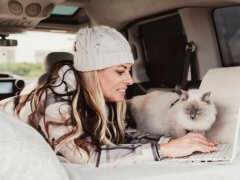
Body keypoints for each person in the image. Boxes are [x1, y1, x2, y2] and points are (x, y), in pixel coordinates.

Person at [0, 26, 217, 167]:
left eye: (129, 71)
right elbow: (86, 155)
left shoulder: (105, 101)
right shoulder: (54, 98)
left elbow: (121, 136)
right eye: (120, 71)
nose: (130, 81)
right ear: (93, 72)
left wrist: (172, 141)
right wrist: (163, 150)